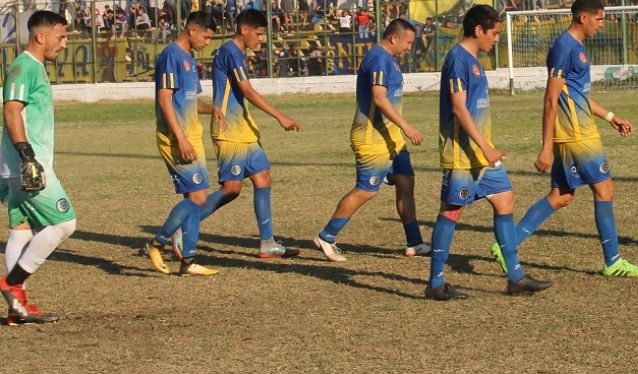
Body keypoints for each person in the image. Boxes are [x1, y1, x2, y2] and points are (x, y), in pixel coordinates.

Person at [491, 0, 638, 278]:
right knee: (605, 190)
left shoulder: (575, 47)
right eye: (599, 20)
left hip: (578, 130)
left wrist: (611, 117)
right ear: (583, 17)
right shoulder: (564, 48)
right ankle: (613, 261)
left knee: (561, 196)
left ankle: (508, 246)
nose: (601, 25)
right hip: (577, 135)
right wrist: (546, 147)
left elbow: (580, 95)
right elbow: (551, 99)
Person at [424, 5, 551, 300]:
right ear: (478, 30)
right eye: (494, 33)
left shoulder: (474, 61)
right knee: (451, 211)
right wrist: (485, 146)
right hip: (463, 155)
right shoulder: (458, 59)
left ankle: (516, 277)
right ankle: (435, 283)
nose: (496, 39)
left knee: (505, 201)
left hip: (483, 156)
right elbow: (458, 108)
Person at [313, 19, 430, 262]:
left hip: (392, 139)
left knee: (406, 181)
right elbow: (379, 97)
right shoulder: (378, 58)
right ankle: (326, 236)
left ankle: (414, 242)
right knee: (367, 190)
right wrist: (407, 126)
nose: (410, 47)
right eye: (408, 42)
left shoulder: (391, 60)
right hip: (372, 138)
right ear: (394, 38)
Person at [205, 9, 301, 258]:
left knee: (263, 179)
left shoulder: (237, 53)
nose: (260, 39)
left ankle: (267, 243)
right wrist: (280, 116)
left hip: (244, 130)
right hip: (229, 131)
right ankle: (185, 226)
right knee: (232, 189)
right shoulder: (229, 52)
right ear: (244, 29)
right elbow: (246, 90)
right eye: (258, 34)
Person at [0, 11, 75, 325]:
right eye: (61, 37)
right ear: (40, 36)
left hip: (20, 167)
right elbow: (11, 109)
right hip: (29, 166)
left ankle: (16, 309)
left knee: (21, 232)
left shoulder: (35, 68)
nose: (65, 43)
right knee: (64, 224)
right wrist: (27, 155)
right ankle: (12, 284)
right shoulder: (24, 67)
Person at [144, 12, 221, 276]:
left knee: (196, 198)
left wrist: (213, 110)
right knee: (198, 197)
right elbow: (165, 100)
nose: (207, 42)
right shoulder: (170, 56)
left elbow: (189, 100)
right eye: (206, 37)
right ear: (191, 30)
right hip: (177, 139)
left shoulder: (188, 60)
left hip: (191, 136)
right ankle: (156, 243)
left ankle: (188, 261)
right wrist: (180, 138)